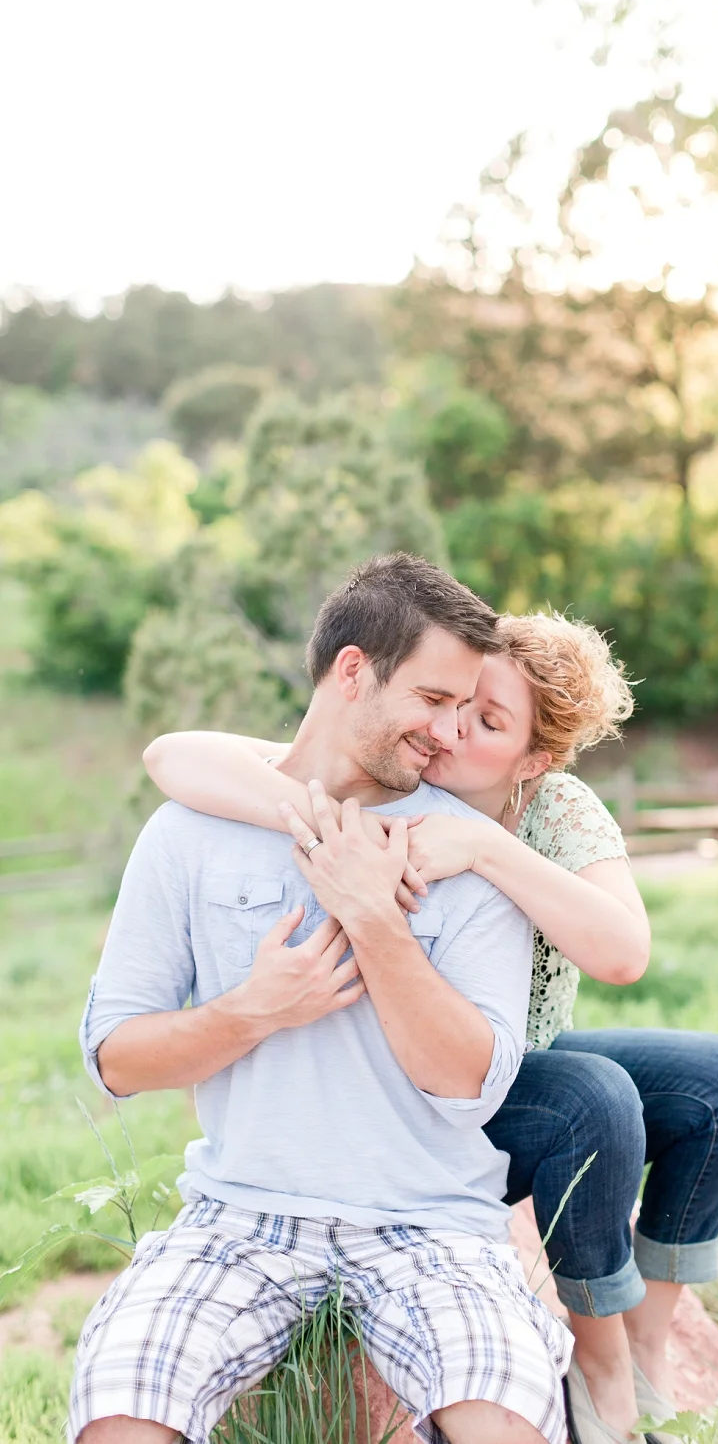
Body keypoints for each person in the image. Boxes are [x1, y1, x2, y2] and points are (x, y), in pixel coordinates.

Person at [146, 606, 718, 1444]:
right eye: (454, 701)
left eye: (487, 720)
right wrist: (322, 813)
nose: (450, 729)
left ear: (535, 759)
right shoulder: (393, 771)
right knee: (594, 1097)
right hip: (414, 1078)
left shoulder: (553, 809)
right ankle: (599, 1361)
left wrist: (483, 850)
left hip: (524, 1054)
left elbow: (624, 951)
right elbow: (171, 754)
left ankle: (648, 1337)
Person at [71, 554, 575, 1444]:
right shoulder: (190, 828)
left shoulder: (457, 848)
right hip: (238, 1216)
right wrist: (255, 1008)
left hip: (432, 1224)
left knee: (501, 1411)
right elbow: (116, 1058)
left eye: (465, 708)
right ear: (353, 670)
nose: (451, 733)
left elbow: (471, 1085)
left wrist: (374, 920)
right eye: (433, 699)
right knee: (121, 1403)